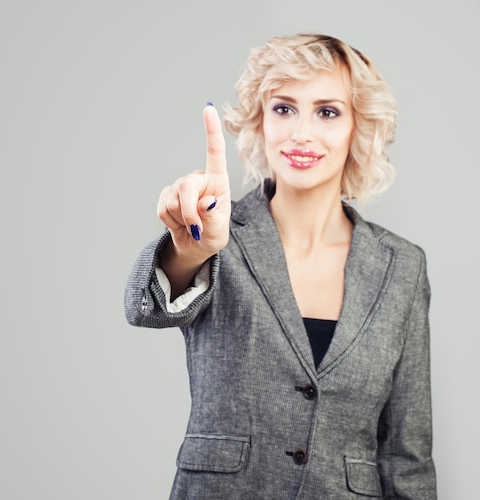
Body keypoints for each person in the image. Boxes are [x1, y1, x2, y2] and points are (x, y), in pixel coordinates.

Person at [124, 33, 436, 499]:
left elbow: (406, 457)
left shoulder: (402, 267)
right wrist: (190, 248)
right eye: (284, 108)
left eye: (327, 112)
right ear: (260, 121)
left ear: (358, 127)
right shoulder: (218, 236)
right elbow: (146, 308)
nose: (301, 133)